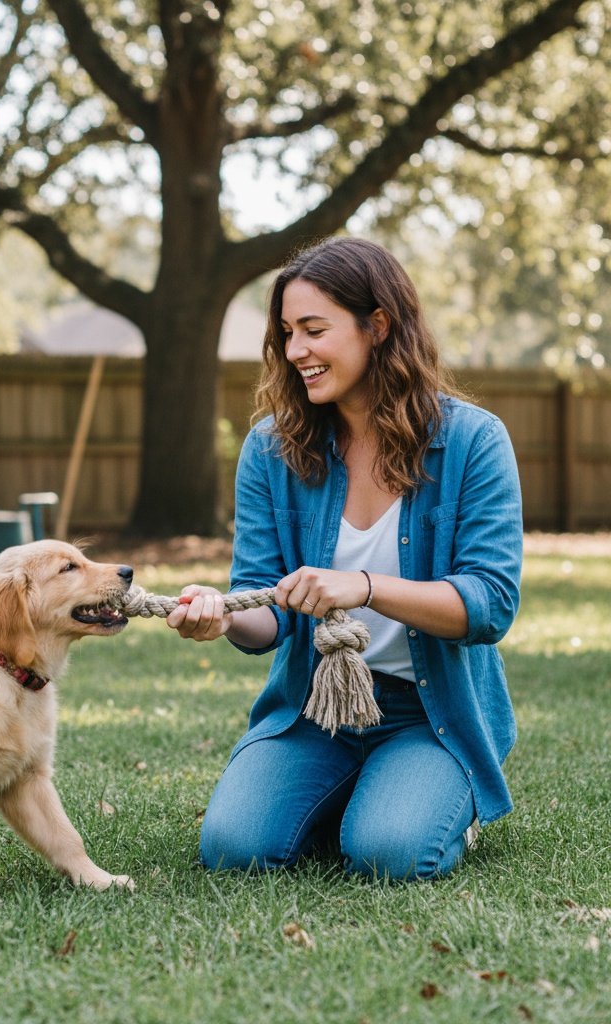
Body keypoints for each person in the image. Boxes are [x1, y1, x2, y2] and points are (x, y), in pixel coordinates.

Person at [166, 236, 522, 881]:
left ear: (378, 326)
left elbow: (490, 606)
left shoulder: (473, 441)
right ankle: (363, 792)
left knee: (389, 854)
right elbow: (263, 606)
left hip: (428, 714)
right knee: (232, 849)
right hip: (315, 707)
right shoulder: (272, 448)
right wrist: (221, 617)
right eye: (286, 333)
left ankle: (416, 797)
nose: (295, 350)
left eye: (313, 329)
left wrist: (363, 585)